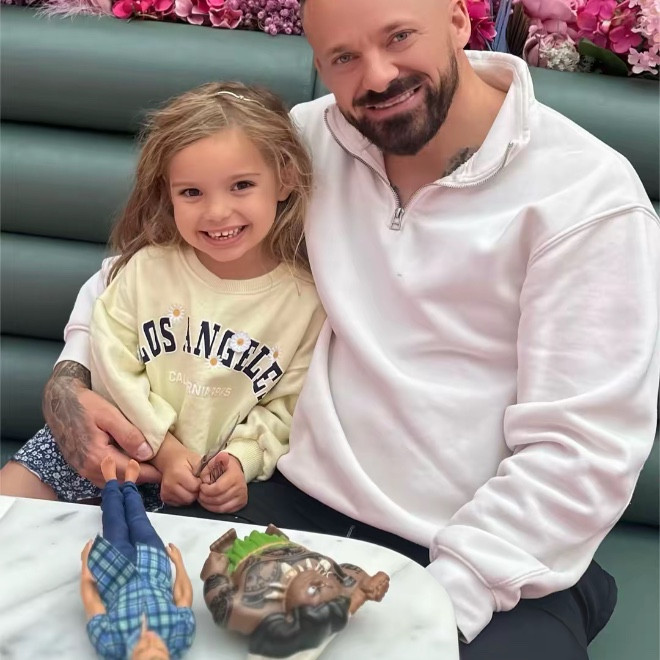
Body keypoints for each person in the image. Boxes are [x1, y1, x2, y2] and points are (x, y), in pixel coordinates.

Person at [5, 0, 660, 656]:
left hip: (490, 553)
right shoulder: (308, 144)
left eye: (399, 37)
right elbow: (136, 276)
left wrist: (436, 603)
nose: (376, 77)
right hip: (288, 503)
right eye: (343, 57)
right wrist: (70, 379)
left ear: (460, 20)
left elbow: (580, 453)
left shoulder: (587, 200)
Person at [0, 81, 325, 514]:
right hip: (103, 442)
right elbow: (111, 362)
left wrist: (240, 460)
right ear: (167, 193)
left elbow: (286, 407)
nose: (217, 212)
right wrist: (165, 449)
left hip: (201, 480)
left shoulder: (306, 302)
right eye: (191, 192)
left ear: (285, 179)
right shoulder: (146, 269)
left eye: (242, 185)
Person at [80, 455, 196, 659]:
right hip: (155, 566)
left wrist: (86, 566)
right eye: (159, 649)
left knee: (114, 522)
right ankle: (130, 484)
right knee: (139, 520)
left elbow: (92, 602)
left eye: (141, 649)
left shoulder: (110, 644)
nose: (149, 639)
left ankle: (111, 482)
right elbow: (183, 597)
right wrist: (179, 564)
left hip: (117, 575)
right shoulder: (180, 636)